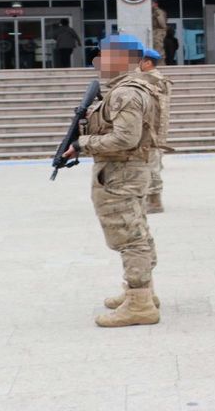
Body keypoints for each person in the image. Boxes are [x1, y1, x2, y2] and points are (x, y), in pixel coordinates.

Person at [60, 34, 163, 328]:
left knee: (130, 237)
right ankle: (140, 292)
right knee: (136, 230)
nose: (97, 61)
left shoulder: (126, 92)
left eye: (102, 56)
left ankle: (140, 303)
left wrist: (83, 144)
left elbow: (125, 138)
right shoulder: (127, 88)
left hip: (121, 173)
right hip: (125, 171)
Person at [137, 48, 172, 215]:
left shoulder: (151, 80)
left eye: (140, 61)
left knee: (151, 164)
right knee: (151, 163)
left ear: (148, 62)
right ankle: (148, 198)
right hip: (153, 129)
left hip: (150, 129)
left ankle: (155, 201)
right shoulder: (159, 79)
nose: (137, 64)